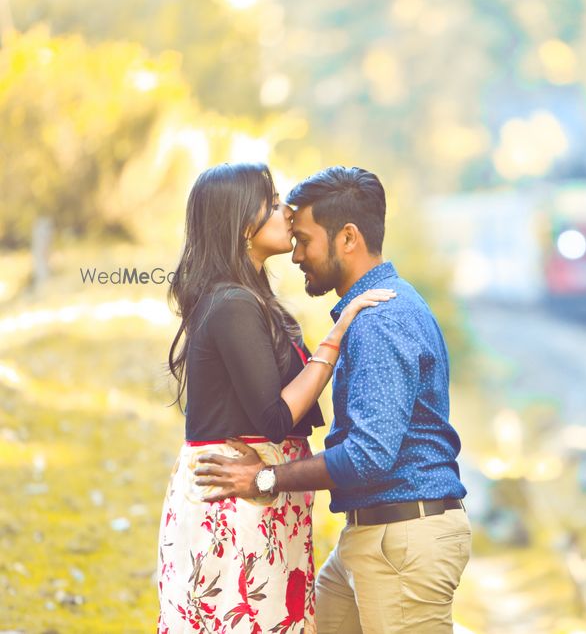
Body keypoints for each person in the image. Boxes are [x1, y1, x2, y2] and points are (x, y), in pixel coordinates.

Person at [195, 166, 471, 633]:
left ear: (347, 239)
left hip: (401, 538)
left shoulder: (380, 320)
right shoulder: (375, 311)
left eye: (304, 240)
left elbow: (368, 455)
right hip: (371, 536)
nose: (296, 253)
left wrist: (266, 479)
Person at [157, 162, 394, 633]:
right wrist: (338, 335)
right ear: (243, 223)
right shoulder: (232, 303)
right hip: (236, 503)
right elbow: (274, 415)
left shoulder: (248, 297)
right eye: (271, 203)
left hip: (255, 498)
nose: (286, 212)